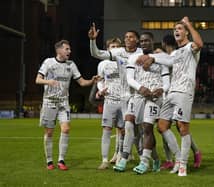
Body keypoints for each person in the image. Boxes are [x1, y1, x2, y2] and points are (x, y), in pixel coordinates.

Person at [138, 16, 203, 176]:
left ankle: (183, 166)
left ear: (186, 32)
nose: (176, 31)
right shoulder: (175, 53)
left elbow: (200, 44)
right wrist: (152, 57)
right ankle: (179, 158)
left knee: (182, 128)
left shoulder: (190, 48)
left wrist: (188, 23)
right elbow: (167, 59)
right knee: (161, 127)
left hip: (184, 92)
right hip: (172, 92)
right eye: (175, 29)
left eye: (180, 29)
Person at [35, 40, 99, 170]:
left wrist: (92, 81)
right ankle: (49, 161)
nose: (69, 51)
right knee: (49, 132)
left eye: (69, 49)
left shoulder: (71, 65)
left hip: (64, 102)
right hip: (49, 101)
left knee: (66, 129)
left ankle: (61, 161)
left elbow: (81, 82)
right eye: (67, 49)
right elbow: (37, 79)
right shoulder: (48, 62)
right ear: (59, 50)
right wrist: (49, 81)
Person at [116, 32, 170, 174]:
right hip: (138, 96)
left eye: (147, 40)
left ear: (152, 41)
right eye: (142, 41)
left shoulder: (161, 59)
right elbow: (129, 78)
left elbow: (166, 82)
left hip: (154, 97)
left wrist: (162, 89)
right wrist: (140, 88)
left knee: (147, 128)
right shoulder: (134, 58)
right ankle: (124, 158)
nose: (144, 43)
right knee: (129, 125)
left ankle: (145, 162)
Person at [88, 24, 143, 162]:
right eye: (126, 37)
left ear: (137, 40)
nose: (128, 39)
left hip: (135, 96)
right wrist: (92, 41)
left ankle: (141, 156)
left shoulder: (142, 53)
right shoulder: (119, 53)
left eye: (131, 37)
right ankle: (117, 158)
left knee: (138, 130)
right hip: (119, 98)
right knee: (123, 129)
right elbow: (97, 54)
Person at [157, 34, 202, 170]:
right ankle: (171, 159)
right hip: (168, 93)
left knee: (180, 126)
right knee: (163, 127)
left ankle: (192, 154)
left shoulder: (183, 54)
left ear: (164, 43)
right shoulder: (169, 56)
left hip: (178, 92)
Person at [95, 37, 124, 170]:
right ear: (108, 49)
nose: (115, 49)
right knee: (107, 129)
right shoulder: (103, 64)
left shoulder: (124, 61)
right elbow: (100, 81)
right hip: (110, 100)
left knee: (122, 130)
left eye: (117, 47)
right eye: (112, 47)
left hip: (123, 101)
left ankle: (119, 156)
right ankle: (105, 160)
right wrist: (101, 90)